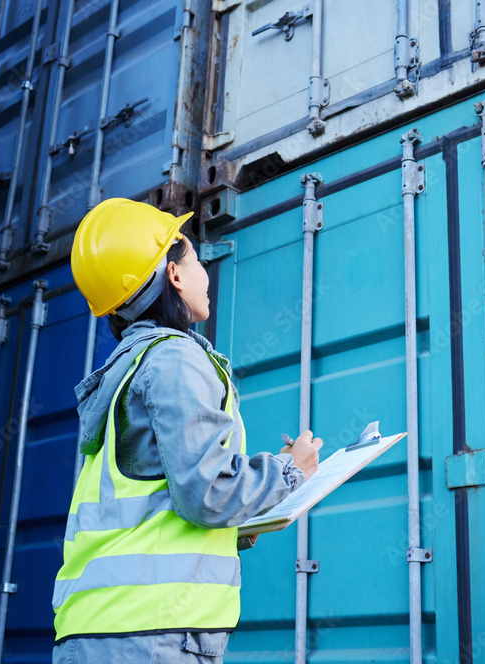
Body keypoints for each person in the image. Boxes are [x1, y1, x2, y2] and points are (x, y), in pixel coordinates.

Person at [53, 198, 322, 663]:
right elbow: (207, 493)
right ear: (174, 275)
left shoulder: (124, 374)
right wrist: (289, 472)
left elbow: (156, 506)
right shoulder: (174, 358)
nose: (204, 274)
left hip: (97, 631)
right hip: (153, 633)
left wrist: (252, 518)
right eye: (195, 260)